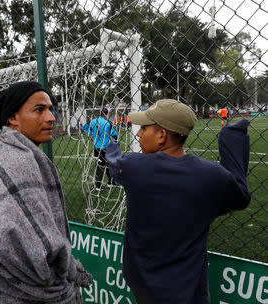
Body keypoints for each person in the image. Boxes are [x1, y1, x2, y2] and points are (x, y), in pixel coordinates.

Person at [105, 99, 251, 304]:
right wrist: (232, 137)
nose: (138, 134)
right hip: (189, 292)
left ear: (162, 135)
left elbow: (114, 163)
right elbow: (240, 196)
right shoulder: (211, 176)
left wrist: (111, 145)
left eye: (144, 128)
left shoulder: (134, 168)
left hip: (143, 286)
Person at [0, 81, 91, 303]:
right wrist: (56, 281)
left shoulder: (1, 155)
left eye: (50, 109)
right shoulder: (19, 163)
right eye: (39, 110)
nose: (51, 117)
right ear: (13, 118)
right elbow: (0, 241)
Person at [83, 107, 118, 189]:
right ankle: (111, 182)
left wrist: (92, 135)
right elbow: (114, 134)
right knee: (110, 164)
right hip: (106, 146)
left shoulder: (93, 121)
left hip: (97, 147)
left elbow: (85, 127)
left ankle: (98, 185)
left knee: (99, 165)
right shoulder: (107, 122)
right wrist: (115, 142)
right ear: (106, 114)